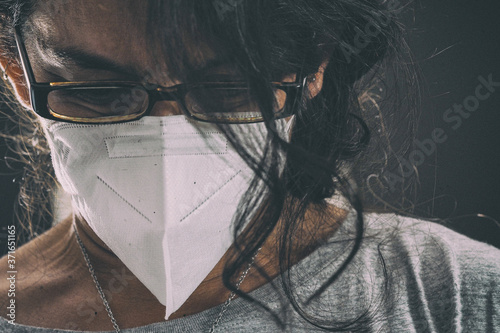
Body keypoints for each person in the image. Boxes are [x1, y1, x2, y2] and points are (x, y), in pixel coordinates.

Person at [0, 0, 498, 332]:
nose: (164, 136)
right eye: (100, 92)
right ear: (17, 72)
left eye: (226, 90)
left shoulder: (457, 296)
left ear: (313, 68)